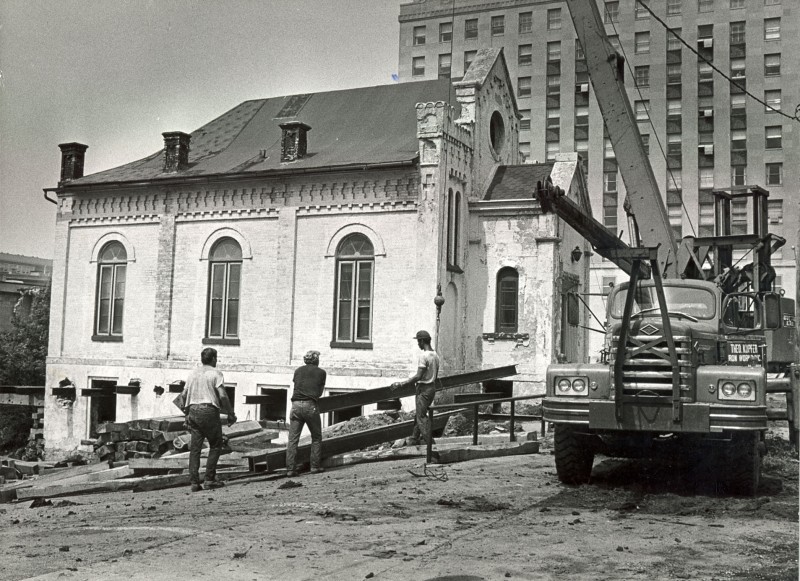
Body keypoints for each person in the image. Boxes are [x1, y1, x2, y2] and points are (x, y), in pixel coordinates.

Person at [182, 347, 236, 492]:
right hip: (208, 410)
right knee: (216, 445)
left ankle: (194, 482)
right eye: (216, 358)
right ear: (213, 359)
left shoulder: (192, 374)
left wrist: (186, 413)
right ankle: (209, 479)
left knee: (195, 449)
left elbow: (183, 395)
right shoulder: (216, 373)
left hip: (193, 410)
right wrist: (230, 413)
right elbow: (223, 396)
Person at [391, 330, 440, 446]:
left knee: (421, 418)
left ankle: (431, 447)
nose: (418, 344)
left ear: (422, 341)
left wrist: (402, 383)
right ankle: (413, 439)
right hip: (431, 388)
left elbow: (419, 376)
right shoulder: (435, 355)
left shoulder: (424, 356)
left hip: (423, 389)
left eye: (418, 341)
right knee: (419, 414)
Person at [286, 350, 327, 477]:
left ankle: (290, 470)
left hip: (295, 405)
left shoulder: (298, 371)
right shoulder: (321, 372)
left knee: (292, 439)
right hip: (310, 405)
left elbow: (296, 385)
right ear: (316, 360)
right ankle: (314, 466)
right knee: (316, 437)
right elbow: (319, 393)